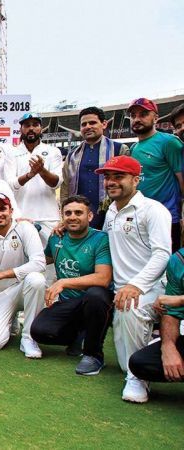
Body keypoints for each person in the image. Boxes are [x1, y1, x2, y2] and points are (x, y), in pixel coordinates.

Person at [96, 155, 171, 403]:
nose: (110, 182)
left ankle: (137, 378)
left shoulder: (154, 210)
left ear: (136, 180)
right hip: (119, 288)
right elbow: (105, 241)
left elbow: (163, 254)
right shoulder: (111, 212)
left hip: (151, 287)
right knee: (121, 361)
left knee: (130, 310)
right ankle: (148, 342)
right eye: (108, 177)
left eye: (119, 176)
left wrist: (136, 285)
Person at [30, 195, 113, 375]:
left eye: (78, 213)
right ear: (62, 216)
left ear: (89, 216)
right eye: (68, 213)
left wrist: (64, 282)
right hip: (69, 304)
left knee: (96, 295)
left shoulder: (101, 239)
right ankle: (78, 336)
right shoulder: (56, 238)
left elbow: (103, 278)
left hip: (94, 303)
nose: (72, 217)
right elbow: (42, 260)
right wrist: (24, 232)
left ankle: (94, 355)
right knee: (38, 331)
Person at [0, 193, 46, 357]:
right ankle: (10, 320)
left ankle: (29, 338)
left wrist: (2, 274)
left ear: (11, 210)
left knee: (36, 280)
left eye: (2, 209)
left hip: (23, 287)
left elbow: (39, 262)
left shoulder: (25, 228)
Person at [126, 98, 184, 251]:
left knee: (169, 269)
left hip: (167, 218)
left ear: (156, 118)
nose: (137, 119)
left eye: (144, 114)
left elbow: (182, 180)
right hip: (140, 218)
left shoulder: (170, 142)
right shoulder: (134, 148)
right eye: (133, 115)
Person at [59, 107, 130, 229]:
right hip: (79, 217)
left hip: (112, 214)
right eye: (84, 124)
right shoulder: (72, 156)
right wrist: (65, 214)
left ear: (104, 124)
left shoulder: (119, 150)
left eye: (92, 122)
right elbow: (65, 186)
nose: (87, 127)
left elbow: (128, 185)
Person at [128, 249, 184, 389]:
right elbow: (172, 313)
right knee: (140, 363)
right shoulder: (179, 259)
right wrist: (168, 346)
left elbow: (175, 302)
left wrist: (180, 300)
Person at [4, 113, 63, 243]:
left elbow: (56, 183)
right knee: (24, 259)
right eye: (27, 125)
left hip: (49, 216)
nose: (31, 128)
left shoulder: (53, 151)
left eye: (35, 125)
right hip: (21, 216)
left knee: (51, 259)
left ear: (41, 128)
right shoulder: (11, 153)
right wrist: (30, 175)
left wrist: (42, 171)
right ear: (20, 129)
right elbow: (10, 185)